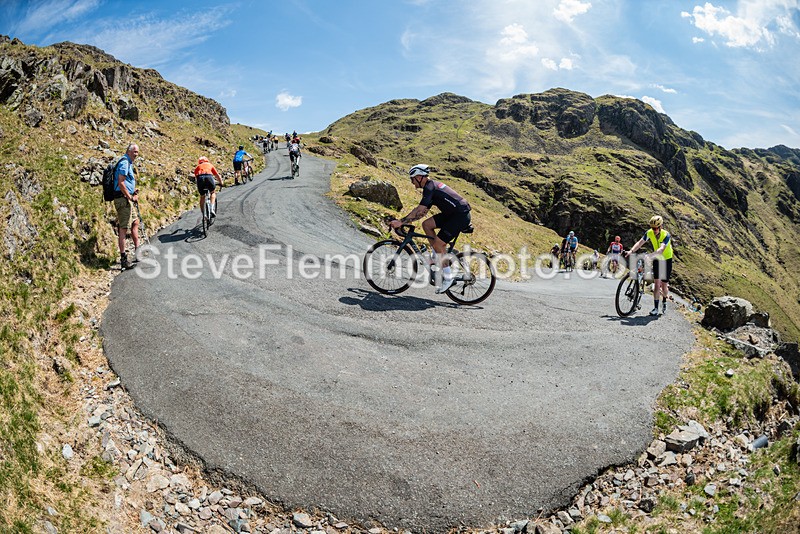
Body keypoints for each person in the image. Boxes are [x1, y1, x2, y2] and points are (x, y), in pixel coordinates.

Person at [389, 164, 471, 294]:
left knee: (439, 243)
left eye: (412, 179)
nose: (412, 183)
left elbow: (420, 210)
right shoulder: (430, 187)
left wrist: (401, 222)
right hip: (451, 214)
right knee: (427, 225)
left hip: (459, 216)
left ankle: (448, 277)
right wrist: (404, 221)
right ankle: (437, 256)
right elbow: (421, 212)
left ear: (420, 177)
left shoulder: (430, 187)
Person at [625, 215, 673, 316]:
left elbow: (661, 249)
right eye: (652, 228)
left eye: (656, 228)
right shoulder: (649, 233)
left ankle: (664, 300)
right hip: (657, 259)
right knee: (656, 284)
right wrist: (631, 251)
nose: (654, 230)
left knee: (664, 287)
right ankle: (655, 308)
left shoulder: (666, 235)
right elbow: (640, 242)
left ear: (661, 227)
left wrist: (650, 256)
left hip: (666, 259)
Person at [113, 143, 140, 269]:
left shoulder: (128, 163)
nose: (136, 154)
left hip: (126, 198)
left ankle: (138, 251)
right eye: (134, 151)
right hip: (122, 199)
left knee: (135, 222)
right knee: (123, 228)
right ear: (128, 152)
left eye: (137, 152)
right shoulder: (124, 163)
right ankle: (124, 260)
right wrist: (130, 196)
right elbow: (121, 182)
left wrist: (132, 192)